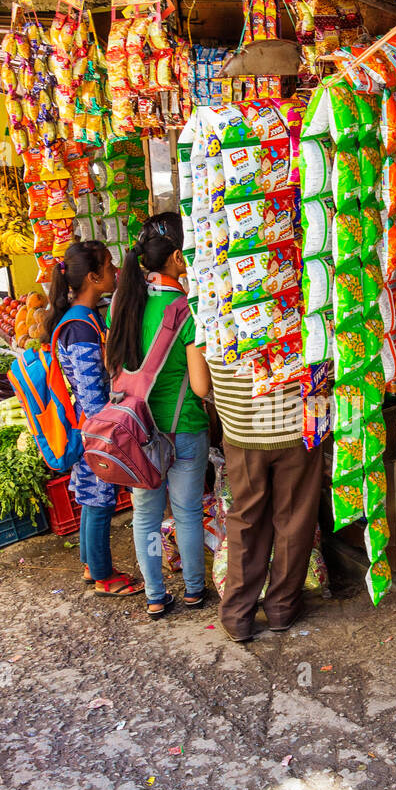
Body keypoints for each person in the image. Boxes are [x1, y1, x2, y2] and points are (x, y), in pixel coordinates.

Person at [105, 214, 211, 620]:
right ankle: (194, 591)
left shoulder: (122, 304)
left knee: (145, 515)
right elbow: (200, 387)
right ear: (179, 258)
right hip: (181, 427)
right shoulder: (185, 310)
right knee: (185, 512)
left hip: (134, 433)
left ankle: (154, 594)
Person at [45, 241, 142, 596]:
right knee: (100, 498)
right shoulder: (82, 328)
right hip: (93, 426)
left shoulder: (83, 318)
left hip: (85, 425)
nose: (116, 270)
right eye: (109, 265)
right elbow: (90, 391)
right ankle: (103, 576)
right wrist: (111, 430)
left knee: (89, 495)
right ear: (92, 277)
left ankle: (90, 564)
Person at [209, 358, 326, 643]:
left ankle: (237, 615)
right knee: (295, 517)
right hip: (302, 420)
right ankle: (282, 608)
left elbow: (203, 382)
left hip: (242, 425)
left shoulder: (205, 311)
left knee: (246, 517)